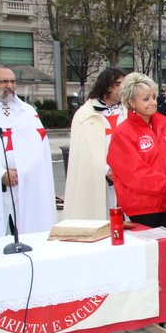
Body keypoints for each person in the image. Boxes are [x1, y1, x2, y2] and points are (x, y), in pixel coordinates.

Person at [106, 72, 166, 330]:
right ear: (130, 102)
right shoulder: (123, 133)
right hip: (143, 207)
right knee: (149, 264)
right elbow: (133, 173)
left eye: (154, 97)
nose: (152, 102)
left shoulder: (165, 126)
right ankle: (149, 312)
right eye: (145, 98)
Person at [0, 65, 55, 237]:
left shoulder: (27, 112)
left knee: (27, 232)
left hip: (25, 182)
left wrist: (25, 170)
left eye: (13, 81)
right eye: (4, 81)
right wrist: (0, 173)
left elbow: (40, 148)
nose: (10, 86)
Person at [64, 67, 126, 220]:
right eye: (118, 84)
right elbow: (84, 151)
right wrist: (106, 169)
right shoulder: (85, 114)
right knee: (99, 217)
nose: (123, 88)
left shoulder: (129, 111)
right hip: (97, 176)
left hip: (126, 177)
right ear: (106, 85)